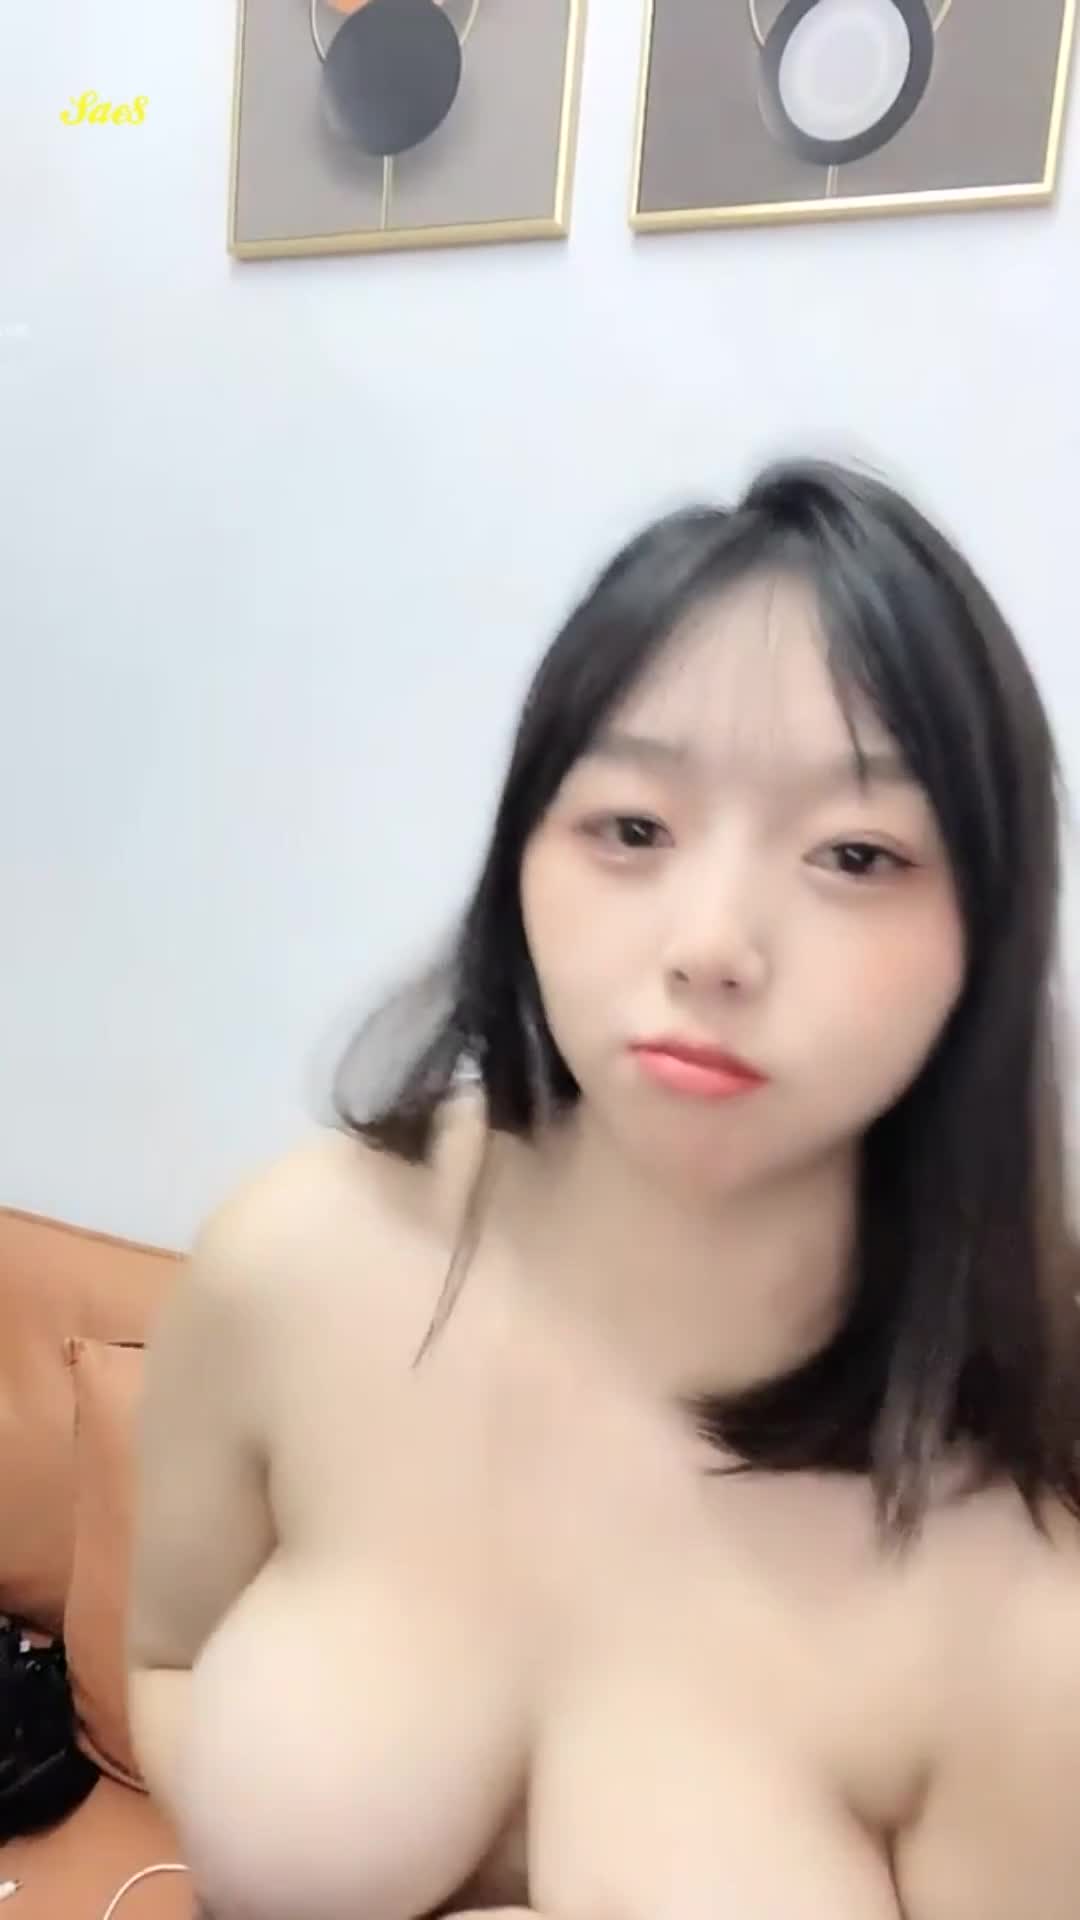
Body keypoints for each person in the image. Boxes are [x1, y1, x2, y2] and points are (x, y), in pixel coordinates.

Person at [128, 459, 1080, 1920]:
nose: (713, 945)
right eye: (634, 828)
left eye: (856, 854)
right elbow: (165, 1658)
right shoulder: (292, 1261)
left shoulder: (1027, 1587)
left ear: (989, 937)